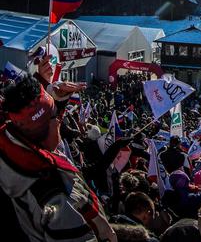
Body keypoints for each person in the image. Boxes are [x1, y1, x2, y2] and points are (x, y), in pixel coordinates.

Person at [0, 75, 117, 242]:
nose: (61, 120)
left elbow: (37, 120)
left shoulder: (13, 144)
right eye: (56, 115)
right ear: (46, 128)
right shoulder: (56, 196)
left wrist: (55, 99)